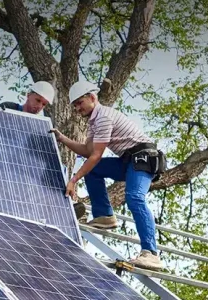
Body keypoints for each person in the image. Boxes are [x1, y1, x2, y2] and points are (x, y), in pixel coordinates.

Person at [50, 80, 166, 271]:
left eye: (80, 103)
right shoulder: (94, 122)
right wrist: (63, 139)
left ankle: (151, 254)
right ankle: (104, 215)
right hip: (128, 162)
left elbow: (95, 155)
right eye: (75, 105)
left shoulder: (103, 117)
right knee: (94, 171)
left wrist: (73, 180)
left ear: (92, 97)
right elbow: (88, 151)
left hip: (143, 159)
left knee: (134, 197)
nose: (78, 108)